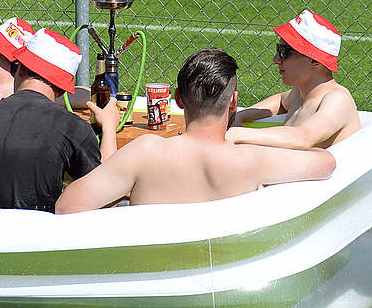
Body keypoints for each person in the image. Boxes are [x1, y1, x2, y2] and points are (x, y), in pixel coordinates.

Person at [56, 48, 336, 212]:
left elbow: (67, 206)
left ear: (178, 100)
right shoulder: (252, 160)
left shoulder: (144, 153)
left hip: (150, 274)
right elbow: (326, 162)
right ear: (233, 102)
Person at [0, 28, 120, 210]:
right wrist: (109, 127)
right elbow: (104, 195)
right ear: (63, 89)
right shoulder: (73, 127)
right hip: (35, 234)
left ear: (21, 69)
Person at [228, 10, 360, 149]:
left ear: (315, 60)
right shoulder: (300, 93)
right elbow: (280, 101)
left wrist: (238, 134)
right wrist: (240, 116)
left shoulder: (337, 100)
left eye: (284, 52)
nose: (276, 60)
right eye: (278, 49)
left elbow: (304, 137)